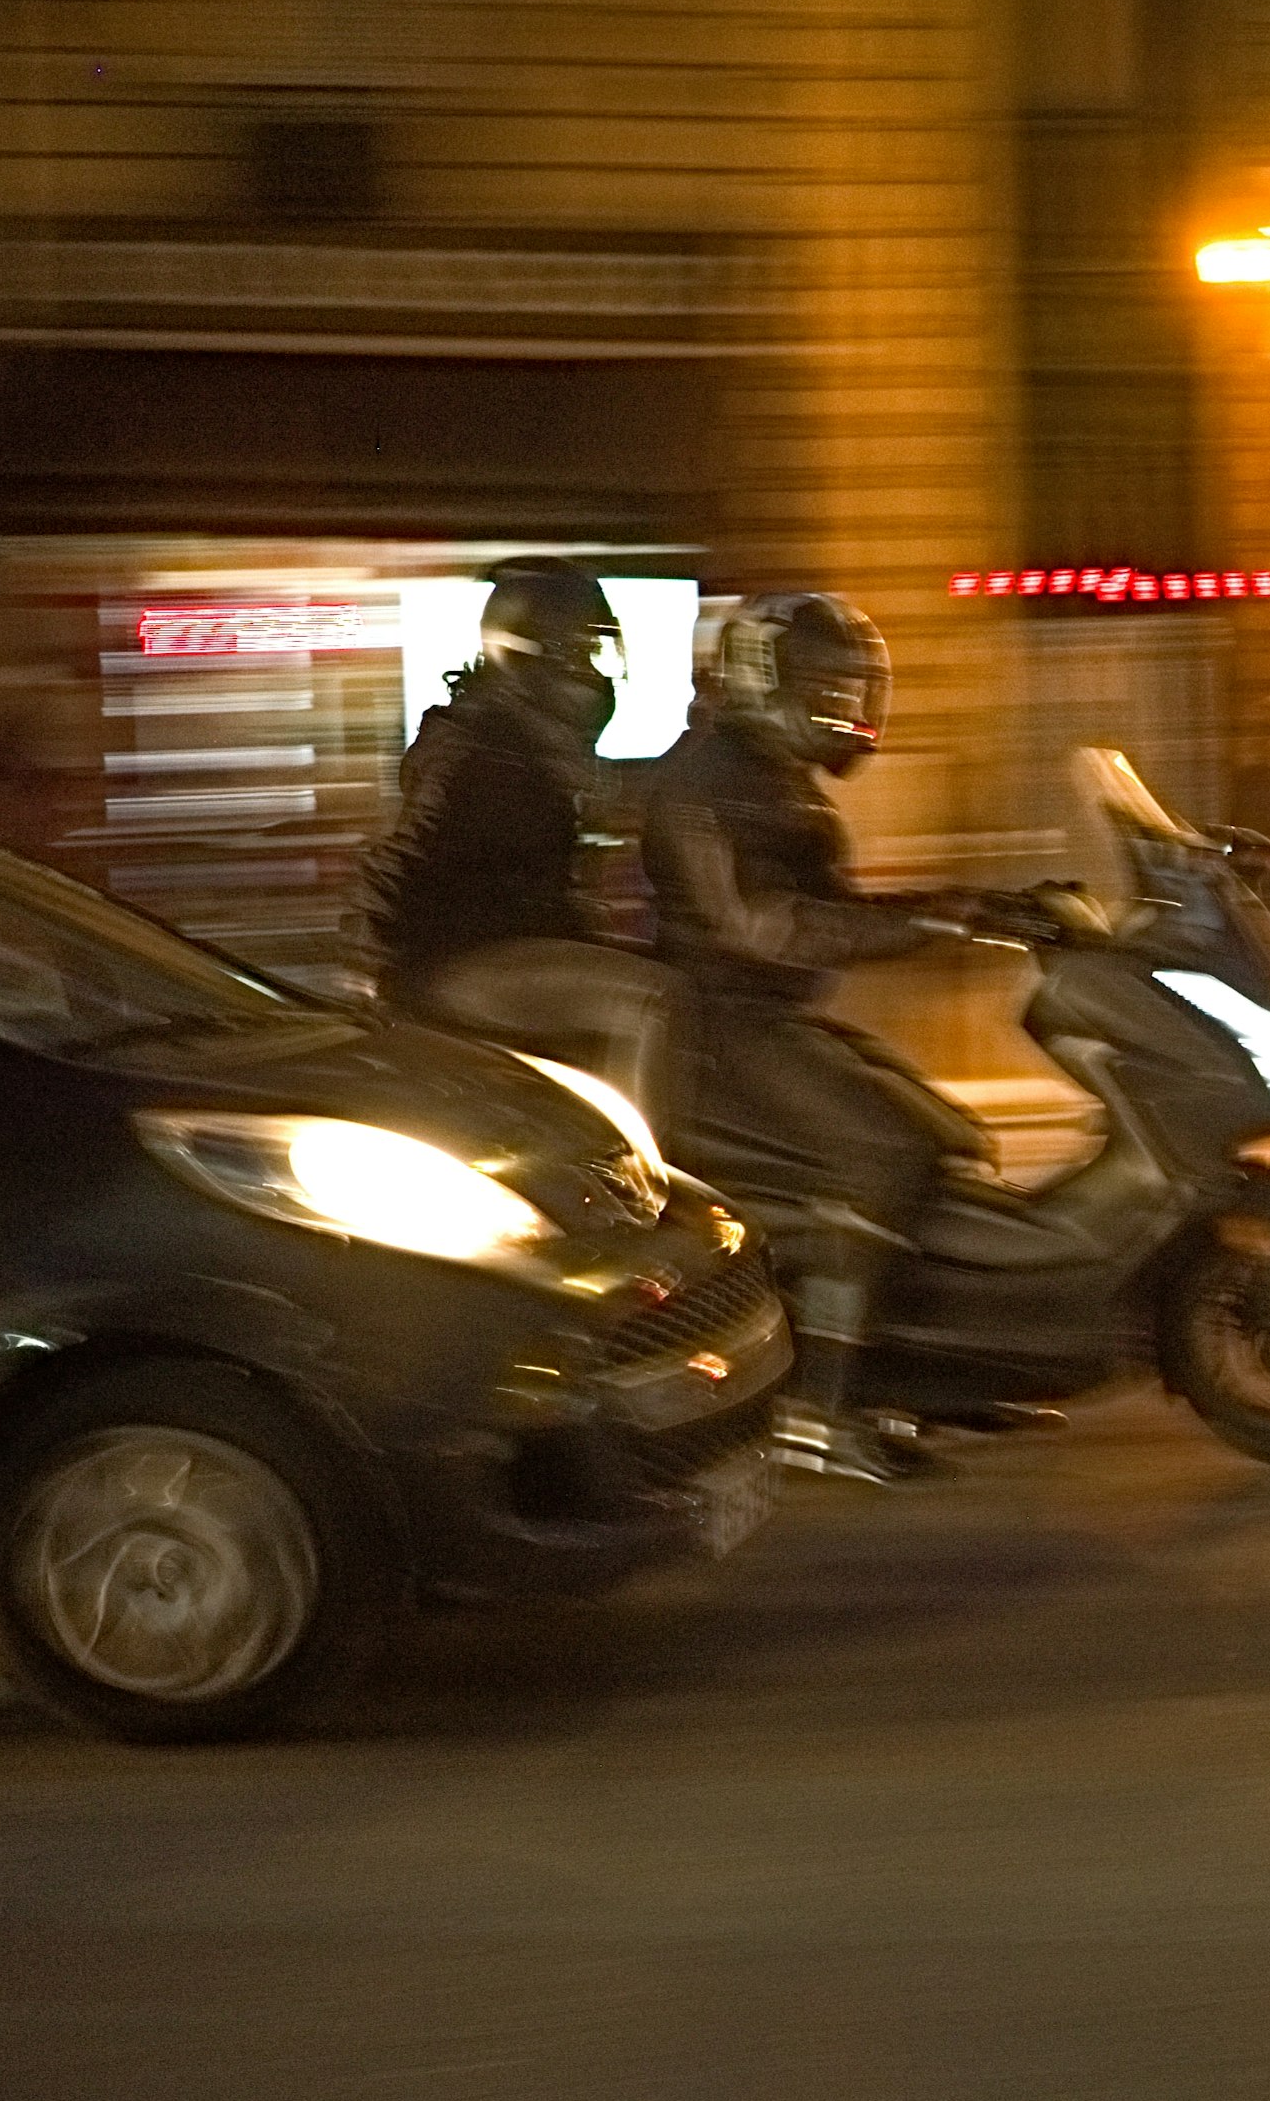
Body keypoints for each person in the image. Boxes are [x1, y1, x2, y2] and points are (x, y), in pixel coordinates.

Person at [644, 591, 988, 1483]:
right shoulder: (705, 781)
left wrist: (979, 912)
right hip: (719, 1028)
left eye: (855, 693)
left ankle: (920, 1374)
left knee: (950, 1139)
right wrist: (937, 924)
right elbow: (762, 926)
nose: (849, 714)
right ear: (766, 685)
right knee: (884, 1156)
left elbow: (833, 913)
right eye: (829, 692)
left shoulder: (768, 774)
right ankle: (819, 1411)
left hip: (771, 1017)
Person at [349, 555, 675, 1112]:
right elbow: (394, 855)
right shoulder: (472, 745)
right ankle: (636, 1177)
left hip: (507, 951)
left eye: (601, 652)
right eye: (583, 652)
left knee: (660, 975)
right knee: (650, 1003)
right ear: (535, 655)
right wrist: (364, 974)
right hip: (451, 964)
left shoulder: (541, 750)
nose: (597, 673)